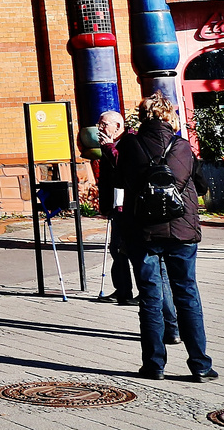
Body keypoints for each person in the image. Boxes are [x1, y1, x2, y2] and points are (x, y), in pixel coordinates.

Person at [115, 93, 215, 382]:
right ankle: (200, 366)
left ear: (142, 116)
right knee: (187, 294)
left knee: (149, 297)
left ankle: (154, 365)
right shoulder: (183, 147)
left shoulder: (131, 145)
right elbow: (202, 184)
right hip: (182, 231)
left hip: (143, 232)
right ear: (169, 116)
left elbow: (121, 183)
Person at [95, 110, 136, 306]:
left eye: (104, 125)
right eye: (99, 124)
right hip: (115, 205)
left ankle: (144, 291)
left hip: (128, 206)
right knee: (116, 249)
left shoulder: (130, 141)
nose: (100, 128)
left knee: (130, 250)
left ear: (117, 127)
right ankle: (122, 290)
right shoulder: (106, 145)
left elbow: (123, 167)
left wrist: (110, 147)